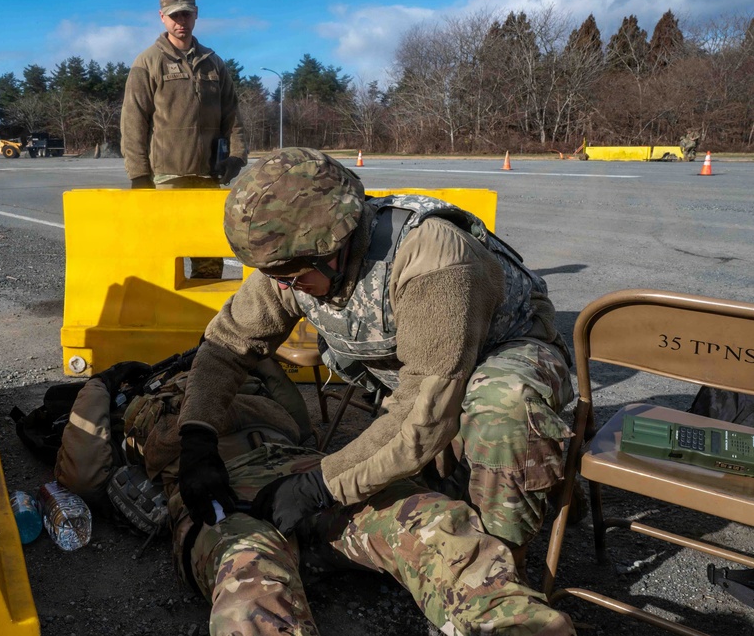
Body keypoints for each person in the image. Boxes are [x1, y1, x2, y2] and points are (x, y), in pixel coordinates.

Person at [175, 147, 575, 578]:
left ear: (335, 247)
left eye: (292, 277)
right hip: (426, 371)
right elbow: (227, 345)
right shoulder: (294, 262)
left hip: (504, 355)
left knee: (502, 406)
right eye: (276, 276)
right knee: (415, 488)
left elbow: (424, 411)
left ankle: (499, 568)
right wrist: (197, 438)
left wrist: (321, 485)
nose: (285, 288)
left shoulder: (432, 257)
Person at [59, 358, 575, 635]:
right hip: (221, 497)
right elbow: (83, 472)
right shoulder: (147, 404)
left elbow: (298, 421)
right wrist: (102, 384)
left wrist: (255, 366)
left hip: (302, 477)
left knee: (435, 522)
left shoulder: (250, 388)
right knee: (250, 583)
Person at [121, 0, 247, 191]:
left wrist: (236, 156)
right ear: (162, 17)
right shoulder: (147, 62)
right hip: (165, 179)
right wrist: (139, 174)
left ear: (196, 14)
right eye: (174, 16)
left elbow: (232, 115)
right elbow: (133, 122)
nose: (181, 21)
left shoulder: (214, 63)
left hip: (210, 176)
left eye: (186, 14)